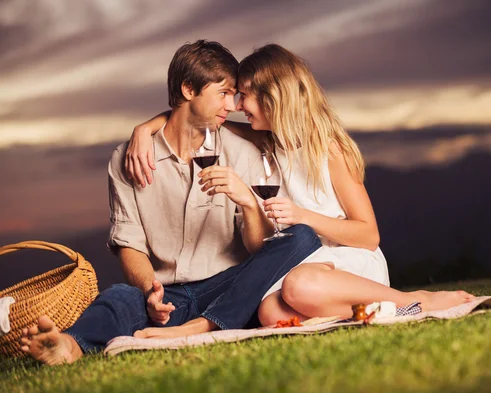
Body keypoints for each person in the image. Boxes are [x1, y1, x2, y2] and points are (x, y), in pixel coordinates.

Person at [127, 44, 475, 337]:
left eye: (244, 96)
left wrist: (303, 217)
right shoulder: (270, 141)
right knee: (269, 312)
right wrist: (146, 128)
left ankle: (413, 299)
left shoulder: (329, 148)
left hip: (345, 261)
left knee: (298, 289)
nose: (235, 106)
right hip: (300, 264)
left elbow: (368, 235)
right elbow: (196, 115)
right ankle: (362, 315)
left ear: (272, 96)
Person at [19, 40, 321, 365]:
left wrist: (248, 203)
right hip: (168, 296)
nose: (232, 104)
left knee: (301, 236)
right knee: (119, 297)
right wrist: (151, 293)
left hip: (229, 287)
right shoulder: (128, 159)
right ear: (189, 89)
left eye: (235, 94)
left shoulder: (242, 152)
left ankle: (205, 325)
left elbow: (259, 250)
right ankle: (68, 345)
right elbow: (129, 243)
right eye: (223, 93)